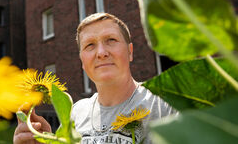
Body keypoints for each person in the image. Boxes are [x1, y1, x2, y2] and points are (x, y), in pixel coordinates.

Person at [13, 13, 177, 144]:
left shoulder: (166, 104)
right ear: (82, 61)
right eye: (90, 45)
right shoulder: (75, 113)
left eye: (111, 40)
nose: (101, 52)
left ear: (130, 51)